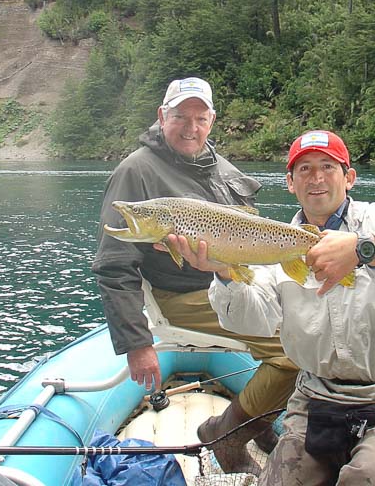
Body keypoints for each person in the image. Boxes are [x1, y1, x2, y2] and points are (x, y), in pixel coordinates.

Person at [166, 130, 375, 485]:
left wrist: (365, 249)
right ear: (290, 182)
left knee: (368, 477)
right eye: (304, 169)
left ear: (349, 177)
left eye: (327, 167)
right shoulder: (269, 243)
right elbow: (253, 320)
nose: (316, 178)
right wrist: (225, 273)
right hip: (316, 401)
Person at [92, 77, 298, 474]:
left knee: (319, 328)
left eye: (200, 118)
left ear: (212, 120)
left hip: (239, 285)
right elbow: (114, 266)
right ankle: (227, 434)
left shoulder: (223, 169)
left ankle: (259, 426)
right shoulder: (135, 171)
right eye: (180, 116)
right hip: (184, 299)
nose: (191, 128)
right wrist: (138, 342)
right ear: (161, 116)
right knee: (297, 349)